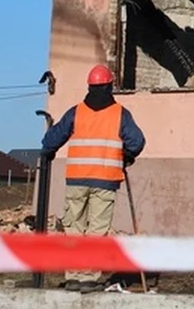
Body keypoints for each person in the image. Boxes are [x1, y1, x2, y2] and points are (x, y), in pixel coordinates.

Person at [41, 64, 146, 293]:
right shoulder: (120, 114)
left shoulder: (76, 112)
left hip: (77, 180)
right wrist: (126, 156)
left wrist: (48, 151)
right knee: (97, 231)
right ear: (110, 86)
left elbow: (53, 138)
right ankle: (88, 277)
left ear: (89, 87)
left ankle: (73, 277)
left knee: (74, 228)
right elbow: (136, 142)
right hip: (105, 181)